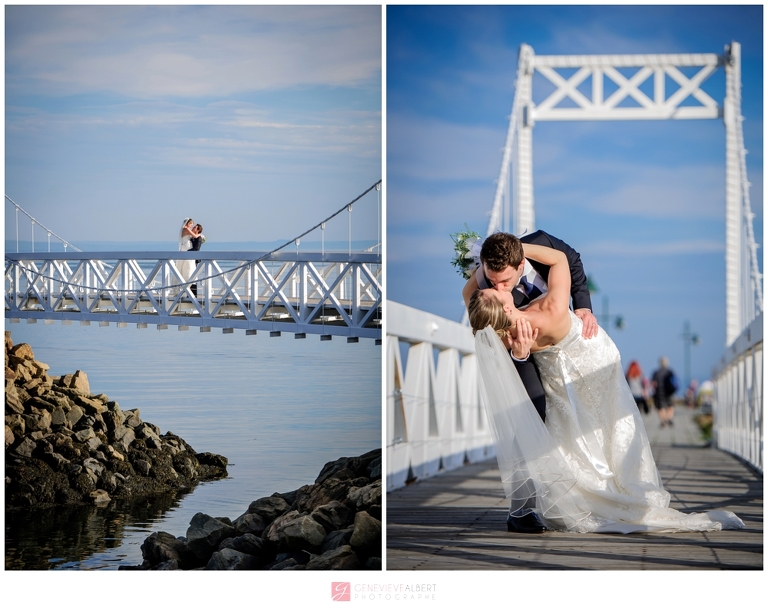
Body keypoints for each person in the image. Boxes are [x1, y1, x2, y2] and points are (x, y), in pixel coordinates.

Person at [468, 240, 744, 534]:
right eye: (494, 288)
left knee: (586, 426)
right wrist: (518, 249)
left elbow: (471, 297)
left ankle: (589, 491)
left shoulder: (506, 337)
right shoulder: (550, 310)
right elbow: (560, 260)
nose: (495, 286)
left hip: (576, 367)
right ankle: (612, 487)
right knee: (604, 423)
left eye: (497, 283)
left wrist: (486, 262)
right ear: (505, 307)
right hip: (593, 356)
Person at [462, 230, 597, 533]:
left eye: (503, 282)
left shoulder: (539, 244)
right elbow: (475, 301)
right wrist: (519, 355)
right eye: (491, 282)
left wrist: (584, 306)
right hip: (525, 346)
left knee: (581, 422)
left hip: (568, 353)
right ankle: (522, 508)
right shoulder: (498, 301)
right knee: (533, 417)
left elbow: (569, 260)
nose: (496, 286)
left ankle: (585, 490)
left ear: (520, 264)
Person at [651, 357, 677, 428]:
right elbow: (674, 381)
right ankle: (669, 418)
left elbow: (654, 384)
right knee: (670, 406)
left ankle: (663, 421)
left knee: (661, 407)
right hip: (669, 392)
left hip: (659, 392)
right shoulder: (670, 372)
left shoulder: (656, 373)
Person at [176, 218, 202, 288]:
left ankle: (186, 282)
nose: (191, 226)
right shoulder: (186, 229)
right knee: (188, 265)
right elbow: (195, 236)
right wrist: (200, 235)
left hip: (185, 247)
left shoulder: (184, 229)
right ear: (188, 223)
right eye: (191, 224)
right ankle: (188, 281)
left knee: (185, 264)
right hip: (187, 248)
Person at [189, 224, 205, 297]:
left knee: (193, 276)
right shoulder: (193, 236)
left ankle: (194, 293)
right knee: (189, 275)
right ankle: (189, 292)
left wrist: (187, 252)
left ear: (198, 230)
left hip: (194, 259)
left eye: (195, 227)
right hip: (189, 258)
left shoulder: (199, 238)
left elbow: (196, 249)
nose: (193, 227)